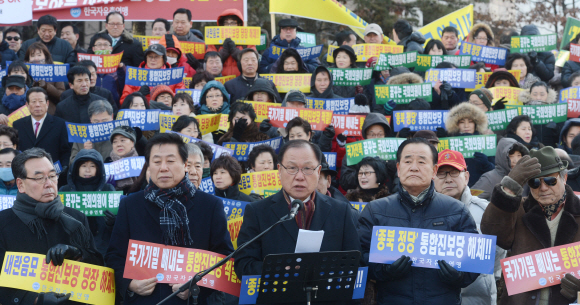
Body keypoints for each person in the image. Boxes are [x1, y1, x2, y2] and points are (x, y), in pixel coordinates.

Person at [106, 133, 233, 304]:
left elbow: (224, 258)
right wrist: (130, 284)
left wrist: (197, 287)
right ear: (149, 166)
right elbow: (115, 255)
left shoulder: (210, 206)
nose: (163, 168)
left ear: (185, 164)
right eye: (157, 162)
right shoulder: (130, 205)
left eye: (171, 161)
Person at [234, 140, 360, 302]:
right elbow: (243, 265)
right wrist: (281, 269)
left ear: (318, 171)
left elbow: (355, 262)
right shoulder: (257, 211)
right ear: (279, 170)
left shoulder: (340, 211)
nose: (299, 177)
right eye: (292, 168)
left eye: (307, 169)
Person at [358, 138, 480, 305]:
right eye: (408, 161)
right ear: (399, 169)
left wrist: (459, 276)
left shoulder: (457, 210)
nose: (414, 167)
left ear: (434, 170)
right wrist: (384, 270)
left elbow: (474, 260)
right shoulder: (375, 210)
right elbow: (360, 257)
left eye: (422, 162)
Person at [0, 148, 103, 304]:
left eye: (52, 176)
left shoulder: (76, 218)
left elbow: (98, 270)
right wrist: (35, 300)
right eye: (39, 178)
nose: (48, 184)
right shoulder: (3, 223)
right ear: (20, 185)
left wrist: (78, 254)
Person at [481, 146, 580, 304]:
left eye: (550, 180)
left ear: (565, 178)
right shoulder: (518, 209)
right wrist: (508, 188)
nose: (543, 188)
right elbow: (493, 233)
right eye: (534, 182)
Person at [433, 149, 505, 305]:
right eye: (442, 173)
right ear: (433, 178)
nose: (448, 179)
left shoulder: (485, 210)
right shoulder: (423, 214)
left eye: (454, 173)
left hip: (478, 297)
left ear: (466, 177)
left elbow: (499, 251)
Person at [59, 149, 116, 255]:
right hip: (73, 250)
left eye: (92, 166)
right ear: (76, 168)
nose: (88, 170)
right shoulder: (65, 191)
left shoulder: (108, 189)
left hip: (102, 249)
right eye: (83, 166)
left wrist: (112, 223)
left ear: (99, 169)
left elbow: (118, 229)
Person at [14, 87, 71, 167]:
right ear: (27, 104)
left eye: (41, 101)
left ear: (47, 104)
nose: (37, 105)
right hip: (25, 171)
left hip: (52, 172)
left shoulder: (60, 124)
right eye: (33, 102)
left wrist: (62, 170)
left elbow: (66, 151)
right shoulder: (17, 125)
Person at [339, 113, 394, 192]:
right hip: (360, 198)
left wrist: (388, 161)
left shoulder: (392, 153)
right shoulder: (354, 152)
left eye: (380, 134)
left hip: (386, 197)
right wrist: (362, 171)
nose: (376, 138)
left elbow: (398, 176)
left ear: (385, 135)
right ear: (366, 136)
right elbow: (344, 182)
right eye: (372, 135)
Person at [444, 102, 494, 186]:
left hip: (481, 189)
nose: (466, 126)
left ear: (476, 124)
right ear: (456, 124)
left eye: (470, 122)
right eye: (462, 122)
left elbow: (495, 171)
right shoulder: (450, 143)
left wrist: (486, 164)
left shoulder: (486, 142)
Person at [120, 44, 186, 104]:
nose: (153, 60)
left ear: (164, 59)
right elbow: (123, 102)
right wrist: (138, 94)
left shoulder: (174, 75)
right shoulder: (134, 75)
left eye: (156, 57)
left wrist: (167, 96)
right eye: (150, 56)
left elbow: (183, 99)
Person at [207, 9, 257, 77]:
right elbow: (209, 61)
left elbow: (254, 61)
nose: (229, 26)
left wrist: (236, 52)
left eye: (233, 23)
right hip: (219, 81)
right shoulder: (214, 41)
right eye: (226, 23)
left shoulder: (248, 41)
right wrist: (224, 52)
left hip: (241, 80)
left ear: (239, 24)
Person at [23, 42, 67, 110]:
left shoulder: (55, 70)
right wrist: (31, 84)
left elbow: (62, 95)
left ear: (45, 57)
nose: (36, 58)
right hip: (27, 111)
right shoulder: (24, 72)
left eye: (39, 55)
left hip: (50, 111)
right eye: (32, 56)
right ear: (28, 59)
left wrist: (47, 86)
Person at [89, 32, 126, 103]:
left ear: (111, 48)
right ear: (93, 49)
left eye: (106, 45)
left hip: (113, 106)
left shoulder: (119, 67)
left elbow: (124, 89)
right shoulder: (87, 66)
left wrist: (121, 69)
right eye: (99, 45)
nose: (102, 48)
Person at [107, 126, 140, 193]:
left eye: (122, 140)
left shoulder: (140, 163)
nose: (118, 144)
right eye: (115, 142)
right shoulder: (107, 162)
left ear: (132, 143)